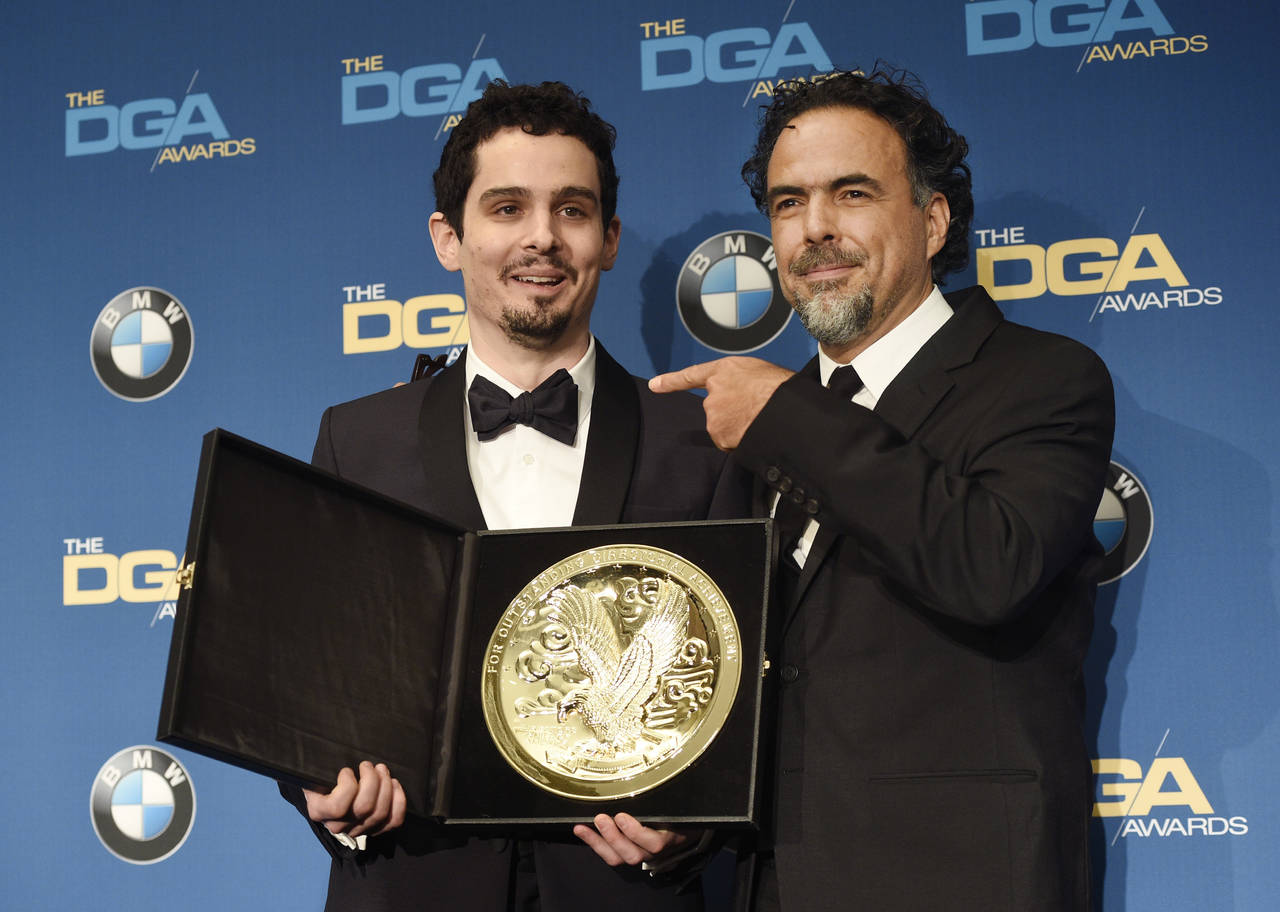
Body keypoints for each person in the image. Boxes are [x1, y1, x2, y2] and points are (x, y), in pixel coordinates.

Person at [651, 68, 1114, 911]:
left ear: (933, 221)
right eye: (789, 203)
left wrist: (790, 417)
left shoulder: (1042, 379)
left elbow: (989, 567)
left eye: (852, 193)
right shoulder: (760, 428)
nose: (815, 228)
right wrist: (686, 827)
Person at [280, 80, 747, 912]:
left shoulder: (700, 441)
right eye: (507, 208)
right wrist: (323, 788)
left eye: (572, 210)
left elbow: (738, 691)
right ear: (448, 238)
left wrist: (693, 828)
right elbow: (310, 677)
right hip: (411, 884)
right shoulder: (357, 439)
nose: (542, 237)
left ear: (607, 239)